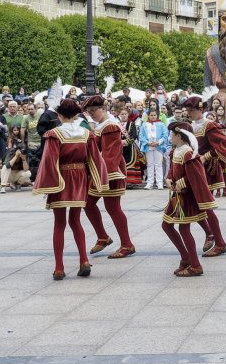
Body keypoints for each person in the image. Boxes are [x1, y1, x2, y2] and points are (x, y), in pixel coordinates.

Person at [33, 98, 109, 280]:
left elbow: (49, 162)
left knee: (59, 223)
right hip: (80, 178)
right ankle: (83, 260)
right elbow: (96, 159)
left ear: (58, 115)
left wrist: (46, 185)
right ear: (76, 115)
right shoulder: (86, 133)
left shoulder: (54, 134)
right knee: (76, 221)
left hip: (61, 178)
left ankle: (59, 268)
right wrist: (99, 180)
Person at [182, 96, 226, 256]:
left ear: (201, 109)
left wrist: (207, 155)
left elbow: (221, 144)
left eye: (191, 110)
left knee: (205, 206)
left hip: (207, 170)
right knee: (192, 205)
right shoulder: (189, 126)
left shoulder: (209, 125)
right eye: (188, 110)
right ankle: (210, 233)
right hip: (192, 169)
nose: (189, 112)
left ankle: (220, 242)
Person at [81, 95, 135, 260]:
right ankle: (103, 237)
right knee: (88, 203)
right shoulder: (102, 125)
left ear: (103, 108)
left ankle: (127, 244)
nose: (91, 114)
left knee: (112, 208)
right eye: (89, 112)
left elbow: (111, 154)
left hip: (110, 173)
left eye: (93, 110)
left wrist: (104, 176)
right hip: (102, 172)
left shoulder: (110, 126)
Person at [161, 121, 213, 277]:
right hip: (177, 196)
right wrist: (169, 179)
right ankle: (185, 257)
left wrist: (180, 183)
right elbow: (172, 170)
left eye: (172, 134)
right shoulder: (176, 150)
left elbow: (196, 175)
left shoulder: (188, 153)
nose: (170, 137)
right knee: (166, 225)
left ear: (179, 136)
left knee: (183, 229)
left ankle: (195, 265)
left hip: (186, 197)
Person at [138, 108, 170, 190]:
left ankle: (159, 183)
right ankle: (150, 182)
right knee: (150, 164)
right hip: (148, 146)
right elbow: (141, 136)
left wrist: (158, 142)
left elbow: (165, 135)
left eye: (154, 115)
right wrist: (147, 142)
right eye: (151, 115)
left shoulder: (161, 124)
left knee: (158, 164)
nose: (153, 117)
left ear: (157, 116)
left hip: (158, 146)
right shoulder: (144, 125)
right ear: (148, 116)